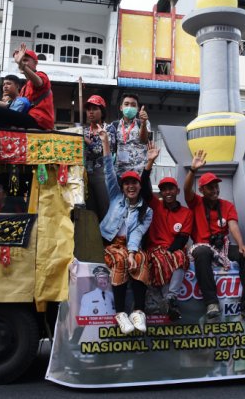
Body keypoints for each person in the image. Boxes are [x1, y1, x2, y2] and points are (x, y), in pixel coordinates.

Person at [184, 150, 245, 320]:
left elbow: (233, 225)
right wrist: (192, 170)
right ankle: (211, 303)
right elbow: (186, 190)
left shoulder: (226, 205)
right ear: (202, 189)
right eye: (210, 187)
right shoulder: (196, 202)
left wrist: (241, 244)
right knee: (202, 252)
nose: (215, 190)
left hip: (223, 247)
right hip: (203, 247)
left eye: (216, 186)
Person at [98, 128, 152, 334]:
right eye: (127, 183)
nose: (130, 186)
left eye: (134, 183)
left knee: (141, 259)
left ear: (139, 186)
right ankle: (120, 313)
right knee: (120, 259)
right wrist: (105, 144)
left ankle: (139, 312)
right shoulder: (115, 196)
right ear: (122, 187)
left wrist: (132, 253)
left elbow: (138, 233)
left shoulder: (146, 210)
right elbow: (108, 171)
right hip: (110, 243)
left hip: (129, 244)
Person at [140, 143, 193, 321]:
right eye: (164, 189)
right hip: (154, 249)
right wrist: (150, 162)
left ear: (177, 191)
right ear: (161, 192)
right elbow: (144, 187)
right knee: (161, 260)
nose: (168, 192)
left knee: (179, 256)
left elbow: (183, 239)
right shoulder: (156, 204)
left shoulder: (186, 213)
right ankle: (169, 302)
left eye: (171, 188)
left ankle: (169, 298)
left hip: (172, 249)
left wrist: (169, 253)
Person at [83, 96, 116, 221]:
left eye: (94, 109)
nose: (90, 112)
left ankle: (107, 240)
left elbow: (100, 150)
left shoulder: (109, 129)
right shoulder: (84, 130)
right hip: (86, 175)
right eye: (88, 109)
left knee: (105, 209)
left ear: (102, 112)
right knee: (90, 211)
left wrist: (86, 140)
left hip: (103, 174)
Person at [110, 93, 150, 177]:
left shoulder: (144, 123)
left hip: (141, 173)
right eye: (126, 104)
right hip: (120, 173)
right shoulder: (114, 125)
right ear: (121, 107)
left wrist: (143, 123)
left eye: (133, 105)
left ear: (137, 109)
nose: (129, 107)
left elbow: (144, 140)